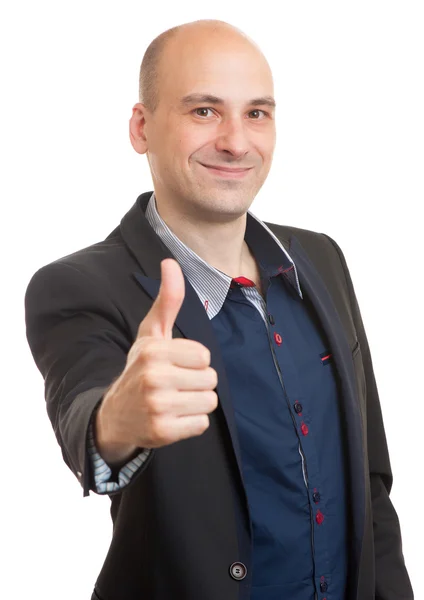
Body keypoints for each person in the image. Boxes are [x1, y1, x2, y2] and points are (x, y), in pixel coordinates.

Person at [25, 18, 413, 600]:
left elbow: (371, 482)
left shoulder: (321, 257)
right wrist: (116, 423)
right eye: (204, 111)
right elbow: (85, 417)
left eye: (256, 113)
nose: (236, 141)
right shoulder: (76, 286)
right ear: (141, 128)